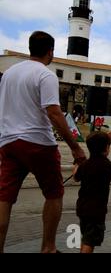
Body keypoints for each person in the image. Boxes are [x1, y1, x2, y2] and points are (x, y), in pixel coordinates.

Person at [0, 31, 87, 253]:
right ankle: (48, 247)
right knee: (54, 193)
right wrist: (76, 148)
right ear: (50, 51)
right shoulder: (45, 75)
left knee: (5, 197)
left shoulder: (9, 74)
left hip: (9, 142)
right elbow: (55, 113)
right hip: (38, 142)